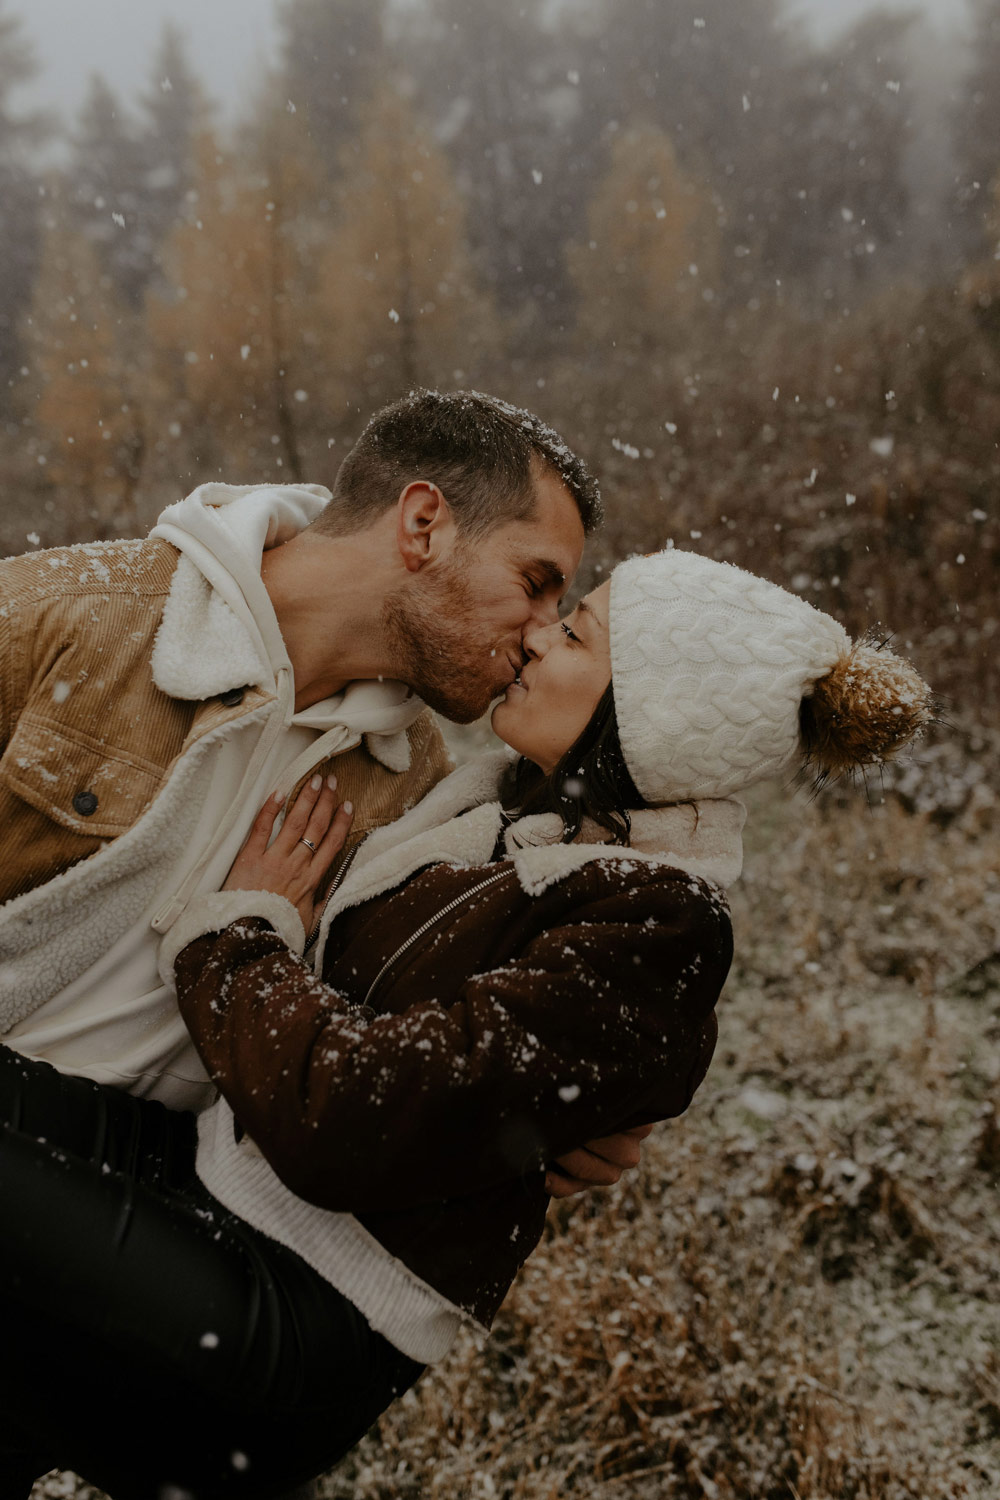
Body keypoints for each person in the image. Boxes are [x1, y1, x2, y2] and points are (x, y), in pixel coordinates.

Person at [0, 548, 933, 1498]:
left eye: (575, 635)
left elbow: (348, 1121)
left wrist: (238, 934)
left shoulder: (661, 925)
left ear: (650, 713)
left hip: (291, 1308)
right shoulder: (493, 819)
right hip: (200, 1182)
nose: (537, 637)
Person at [0, 387, 638, 1195]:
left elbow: (428, 1043)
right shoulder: (65, 617)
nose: (545, 629)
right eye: (535, 581)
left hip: (143, 1219)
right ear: (423, 525)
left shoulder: (418, 789)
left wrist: (554, 1117)